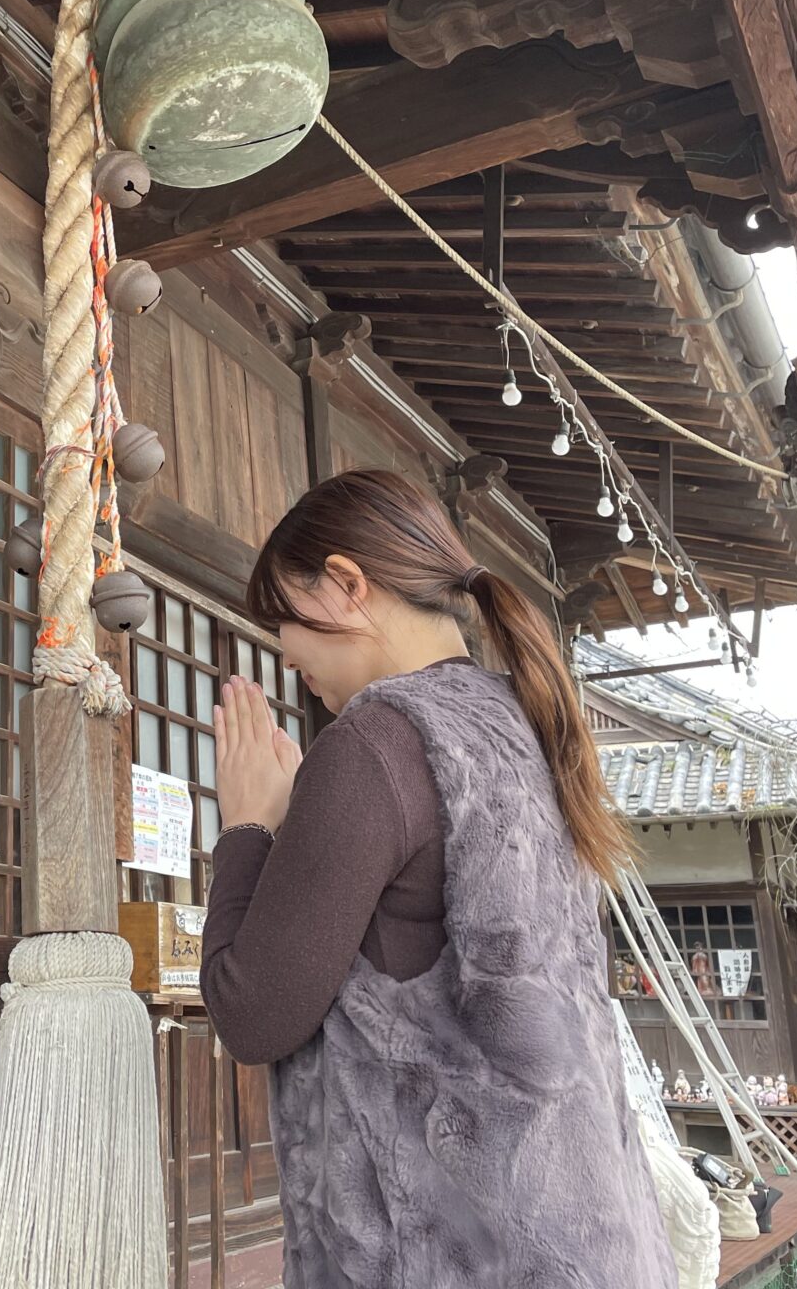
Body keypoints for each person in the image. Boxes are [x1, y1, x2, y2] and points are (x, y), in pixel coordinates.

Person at [201, 468, 675, 1289]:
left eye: (285, 619)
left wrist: (246, 825)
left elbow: (252, 1012)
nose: (286, 652)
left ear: (347, 585)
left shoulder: (374, 742)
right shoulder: (524, 724)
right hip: (590, 1235)